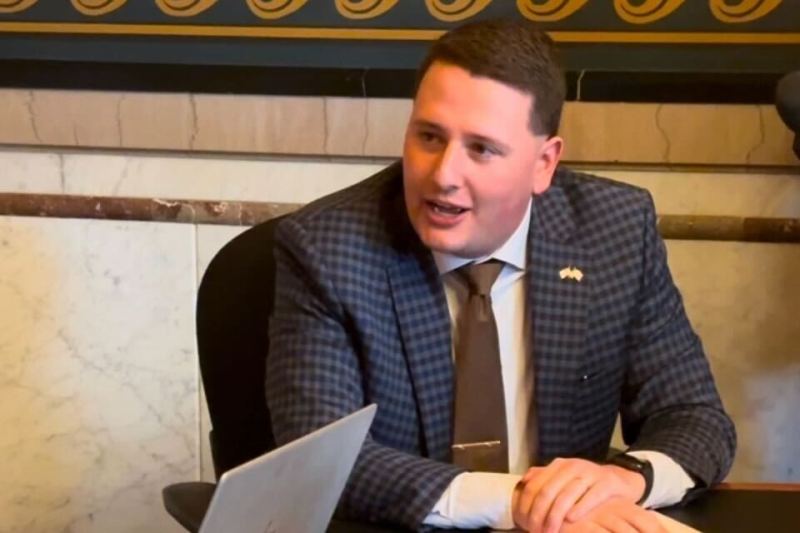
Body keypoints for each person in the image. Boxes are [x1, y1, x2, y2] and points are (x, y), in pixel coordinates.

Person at [266, 18, 736, 532]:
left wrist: (628, 479)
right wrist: (523, 500)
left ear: (544, 164)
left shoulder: (614, 231)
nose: (443, 175)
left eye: (481, 149)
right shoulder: (328, 249)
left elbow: (696, 418)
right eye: (428, 136)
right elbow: (320, 462)